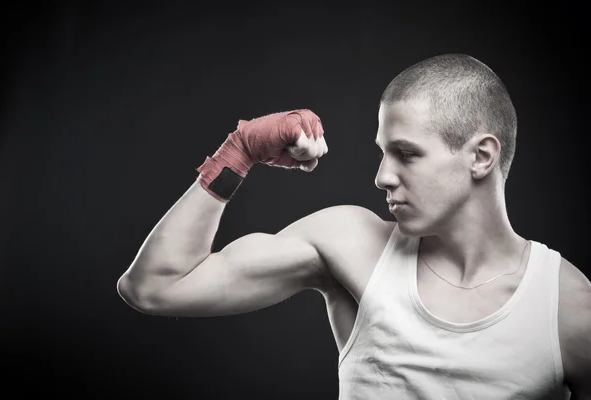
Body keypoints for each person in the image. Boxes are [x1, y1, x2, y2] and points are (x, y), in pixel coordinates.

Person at [116, 53, 590, 399]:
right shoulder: (351, 245)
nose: (382, 176)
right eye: (383, 152)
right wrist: (237, 151)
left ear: (481, 157)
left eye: (406, 154)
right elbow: (154, 287)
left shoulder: (568, 311)